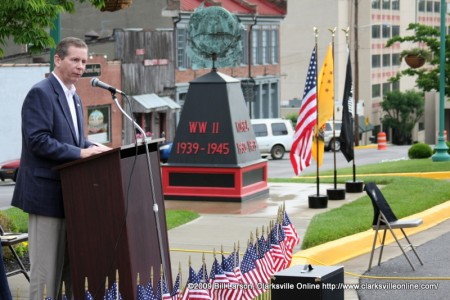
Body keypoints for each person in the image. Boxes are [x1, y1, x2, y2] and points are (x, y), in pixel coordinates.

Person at [11, 37, 110, 299]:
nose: (80, 66)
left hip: (72, 197)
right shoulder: (41, 92)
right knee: (45, 277)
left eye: (84, 62)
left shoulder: (74, 96)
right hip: (46, 197)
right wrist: (81, 151)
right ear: (57, 59)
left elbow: (73, 141)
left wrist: (96, 148)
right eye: (74, 60)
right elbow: (38, 141)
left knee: (70, 271)